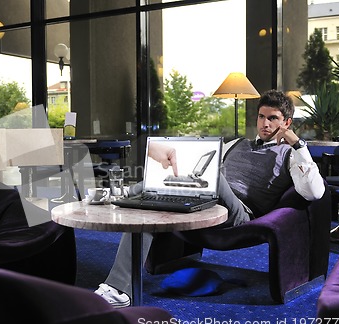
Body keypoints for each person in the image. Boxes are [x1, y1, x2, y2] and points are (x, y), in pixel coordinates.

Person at [94, 89, 326, 308]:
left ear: (286, 123)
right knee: (154, 206)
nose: (265, 124)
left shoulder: (291, 155)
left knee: (210, 173)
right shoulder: (237, 144)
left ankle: (120, 193)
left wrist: (298, 144)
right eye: (261, 116)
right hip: (206, 199)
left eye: (273, 118)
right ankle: (118, 288)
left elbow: (315, 192)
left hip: (239, 211)